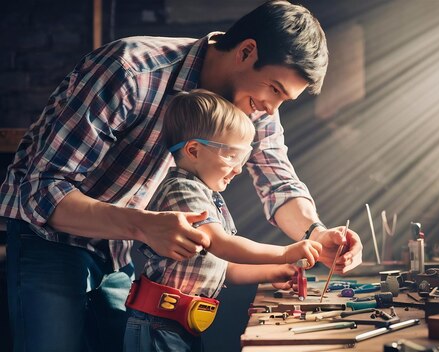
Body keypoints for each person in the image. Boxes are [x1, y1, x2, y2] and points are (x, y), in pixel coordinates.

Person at [0, 1, 363, 351]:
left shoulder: (257, 106)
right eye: (275, 90)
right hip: (49, 237)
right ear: (247, 51)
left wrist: (317, 233)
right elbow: (42, 191)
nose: (272, 108)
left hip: (117, 245)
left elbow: (278, 180)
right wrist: (141, 225)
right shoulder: (130, 70)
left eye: (285, 100)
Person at [123, 89, 323, 351]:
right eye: (231, 156)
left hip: (180, 324)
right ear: (193, 150)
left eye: (243, 157)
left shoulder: (206, 194)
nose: (239, 168)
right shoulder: (182, 190)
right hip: (158, 325)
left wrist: (273, 271)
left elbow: (223, 266)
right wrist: (285, 253)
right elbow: (221, 244)